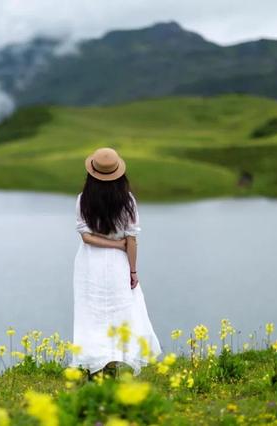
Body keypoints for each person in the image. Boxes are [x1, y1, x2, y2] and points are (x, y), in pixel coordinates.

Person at [69, 147, 161, 377]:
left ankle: (94, 361)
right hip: (119, 262)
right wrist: (133, 270)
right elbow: (131, 239)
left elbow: (86, 236)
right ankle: (118, 358)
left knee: (91, 309)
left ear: (91, 173)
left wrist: (112, 244)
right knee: (122, 307)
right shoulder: (128, 201)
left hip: (90, 262)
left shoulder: (84, 200)